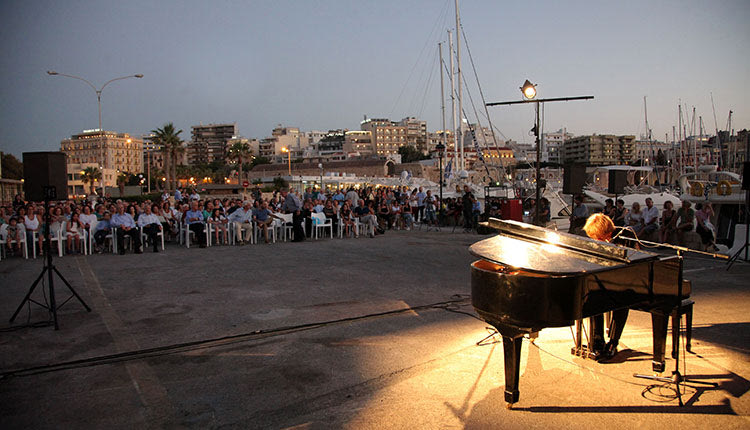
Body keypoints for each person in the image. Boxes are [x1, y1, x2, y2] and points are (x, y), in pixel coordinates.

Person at [583, 213, 628, 361]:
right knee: (592, 299)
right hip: (603, 281)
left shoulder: (624, 239)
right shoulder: (597, 244)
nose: (595, 241)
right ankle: (597, 340)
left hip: (624, 284)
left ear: (607, 233)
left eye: (598, 237)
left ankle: (613, 342)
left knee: (622, 303)